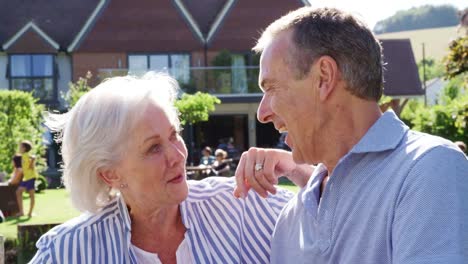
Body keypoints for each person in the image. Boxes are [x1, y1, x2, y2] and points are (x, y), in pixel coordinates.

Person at [234, 7, 468, 263]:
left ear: (324, 77)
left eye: (272, 88)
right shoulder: (293, 215)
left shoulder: (429, 167)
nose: (262, 113)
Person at [30, 73, 295, 263]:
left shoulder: (242, 204)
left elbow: (330, 223)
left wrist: (295, 167)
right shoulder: (67, 251)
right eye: (153, 148)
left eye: (173, 135)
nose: (177, 155)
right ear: (110, 173)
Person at [15, 140, 38, 218]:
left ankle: (30, 213)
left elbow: (33, 158)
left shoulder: (27, 155)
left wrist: (32, 161)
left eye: (20, 147)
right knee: (18, 192)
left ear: (24, 148)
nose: (19, 148)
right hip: (26, 178)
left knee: (31, 195)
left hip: (31, 177)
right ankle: (21, 212)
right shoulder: (23, 155)